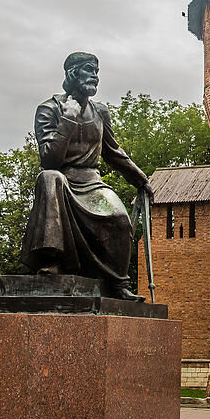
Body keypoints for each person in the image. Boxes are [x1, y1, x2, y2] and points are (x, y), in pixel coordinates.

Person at [19, 52, 152, 301]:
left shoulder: (100, 111)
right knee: (49, 177)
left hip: (92, 182)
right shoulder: (49, 109)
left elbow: (113, 151)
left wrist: (140, 179)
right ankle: (53, 261)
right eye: (89, 70)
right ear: (72, 73)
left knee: (121, 220)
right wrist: (68, 119)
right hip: (62, 181)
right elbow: (49, 160)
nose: (95, 76)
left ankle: (117, 284)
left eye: (97, 72)